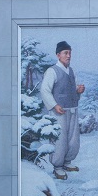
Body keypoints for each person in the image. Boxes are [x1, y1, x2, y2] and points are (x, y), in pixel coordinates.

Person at [40, 41, 85, 180]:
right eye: (66, 53)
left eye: (70, 53)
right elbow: (45, 90)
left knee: (73, 139)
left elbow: (73, 89)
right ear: (58, 55)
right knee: (60, 140)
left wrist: (78, 91)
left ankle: (67, 162)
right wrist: (54, 105)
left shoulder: (71, 71)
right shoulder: (52, 71)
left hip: (72, 109)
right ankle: (57, 166)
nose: (68, 55)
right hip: (58, 111)